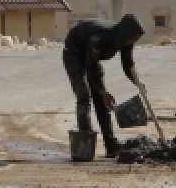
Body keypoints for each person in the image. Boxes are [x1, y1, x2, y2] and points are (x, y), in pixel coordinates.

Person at [62, 14, 145, 157]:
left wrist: (138, 83)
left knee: (101, 101)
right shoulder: (100, 37)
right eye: (134, 38)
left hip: (91, 58)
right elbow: (91, 66)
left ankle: (111, 145)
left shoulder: (126, 40)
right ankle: (84, 145)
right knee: (84, 96)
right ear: (126, 33)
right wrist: (102, 91)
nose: (134, 41)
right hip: (75, 52)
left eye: (137, 39)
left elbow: (128, 64)